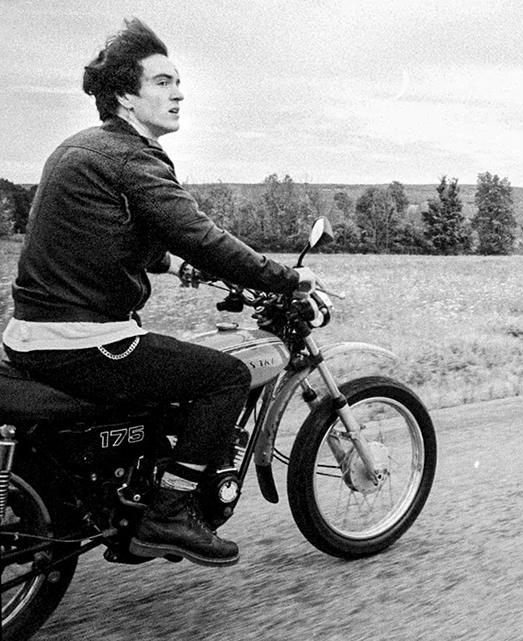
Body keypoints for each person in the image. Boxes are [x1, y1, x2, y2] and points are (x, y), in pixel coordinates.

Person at [1, 19, 316, 567]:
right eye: (164, 82)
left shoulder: (78, 149)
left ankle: (133, 492)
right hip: (85, 339)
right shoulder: (132, 157)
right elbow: (201, 235)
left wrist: (171, 266)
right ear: (125, 95)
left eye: (179, 82)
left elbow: (104, 237)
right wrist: (287, 278)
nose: (179, 93)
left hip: (32, 335)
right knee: (225, 377)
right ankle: (169, 514)